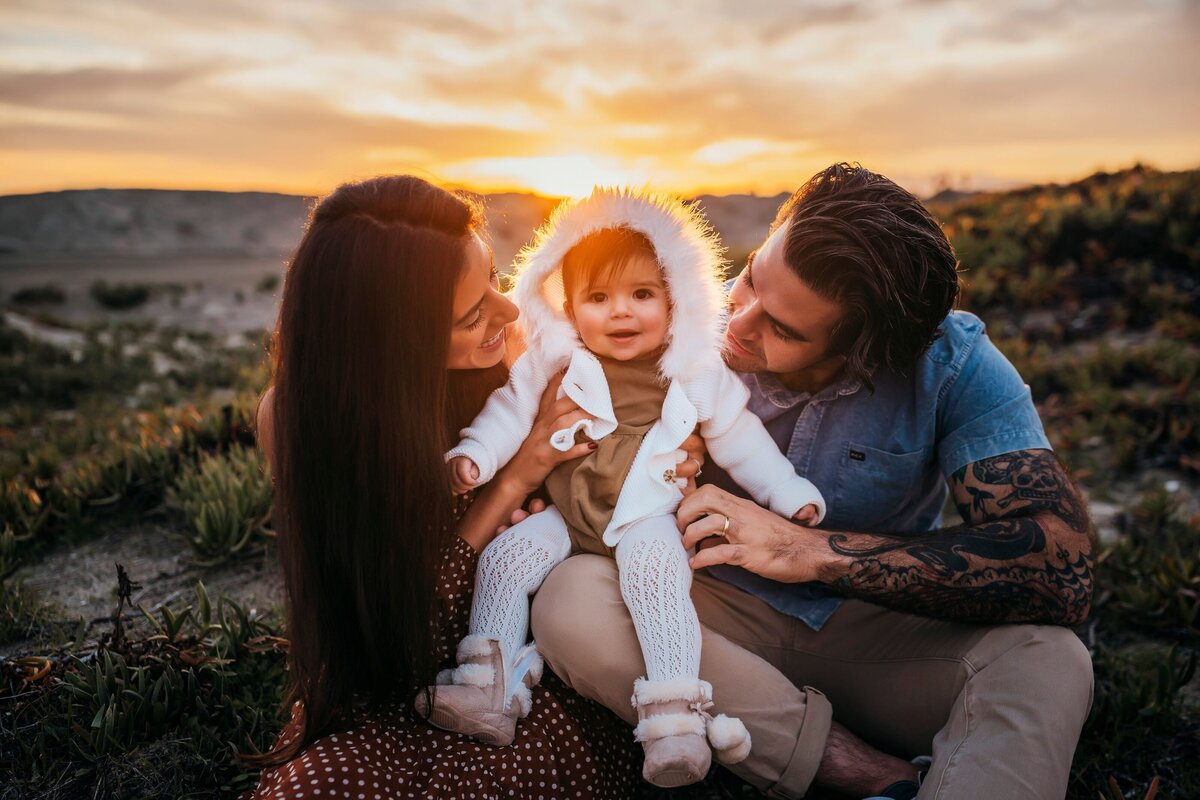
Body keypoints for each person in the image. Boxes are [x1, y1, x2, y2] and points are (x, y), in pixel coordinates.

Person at [530, 163, 1095, 800]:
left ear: (869, 352)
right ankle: (867, 776)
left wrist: (804, 551)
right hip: (695, 619)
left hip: (870, 632)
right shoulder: (673, 326)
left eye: (784, 330)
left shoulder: (952, 364)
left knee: (1050, 658)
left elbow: (1060, 566)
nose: (736, 325)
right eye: (749, 281)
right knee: (571, 599)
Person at [246, 175, 706, 799]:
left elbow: (649, 404)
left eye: (493, 277)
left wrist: (676, 446)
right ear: (391, 344)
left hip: (533, 654)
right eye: (471, 314)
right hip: (407, 657)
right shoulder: (300, 422)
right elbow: (393, 618)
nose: (508, 311)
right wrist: (518, 474)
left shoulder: (515, 357)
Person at [420, 188, 825, 788]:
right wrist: (475, 456)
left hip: (644, 513)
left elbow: (741, 438)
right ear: (568, 305)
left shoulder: (691, 368)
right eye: (598, 299)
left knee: (657, 580)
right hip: (567, 510)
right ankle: (489, 684)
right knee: (506, 558)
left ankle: (674, 719)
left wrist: (787, 492)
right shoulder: (554, 360)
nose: (621, 314)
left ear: (673, 298)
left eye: (642, 295)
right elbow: (508, 412)